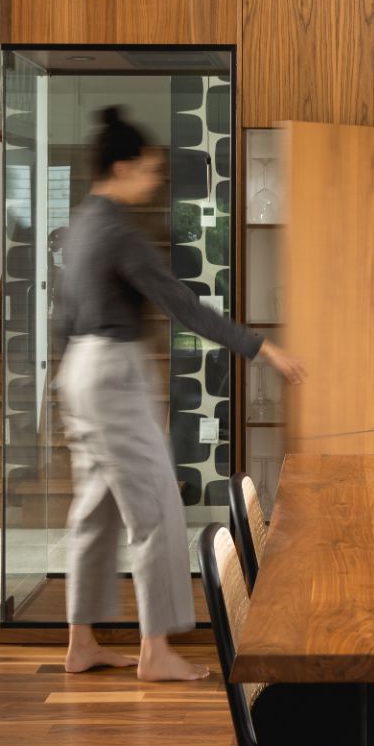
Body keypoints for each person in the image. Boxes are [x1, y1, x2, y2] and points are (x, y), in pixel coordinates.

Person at [55, 106, 305, 681]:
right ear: (122, 167)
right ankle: (155, 651)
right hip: (113, 373)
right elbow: (182, 305)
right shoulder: (120, 231)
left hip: (77, 370)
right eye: (149, 170)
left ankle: (81, 643)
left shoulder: (81, 225)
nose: (154, 180)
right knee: (157, 510)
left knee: (93, 509)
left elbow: (64, 315)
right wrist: (261, 348)